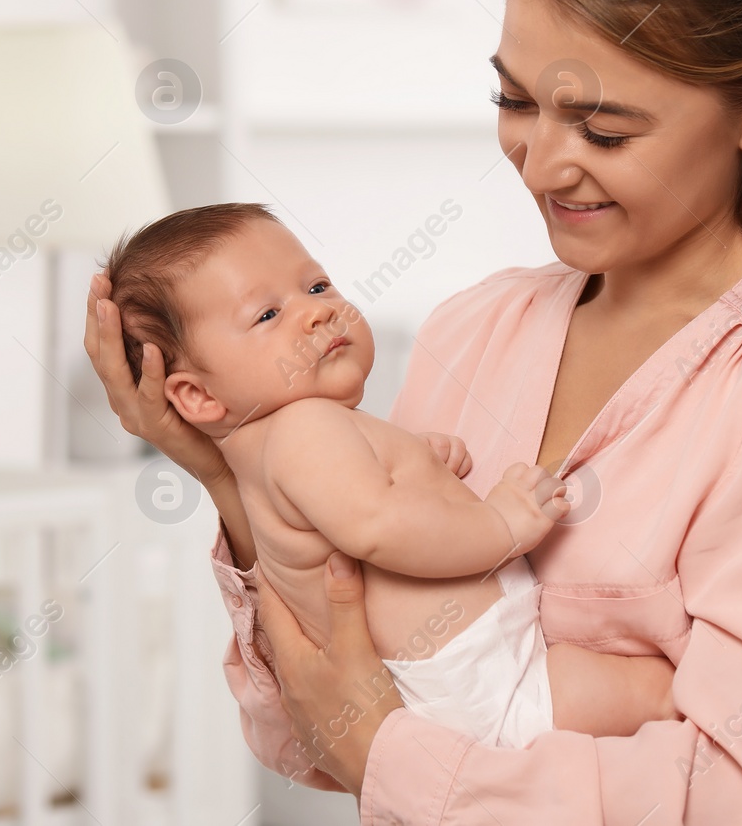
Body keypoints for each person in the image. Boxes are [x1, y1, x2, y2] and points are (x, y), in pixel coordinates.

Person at [85, 0, 742, 825]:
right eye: (514, 101)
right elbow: (314, 735)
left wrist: (388, 747)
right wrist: (223, 466)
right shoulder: (477, 330)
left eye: (603, 129)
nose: (542, 161)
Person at [100, 201, 681, 748]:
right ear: (197, 396)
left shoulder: (277, 445)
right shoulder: (302, 429)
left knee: (641, 699)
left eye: (317, 285)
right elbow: (379, 527)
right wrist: (505, 523)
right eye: (268, 314)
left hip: (456, 681)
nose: (318, 310)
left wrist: (418, 462)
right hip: (480, 675)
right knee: (663, 694)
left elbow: (358, 497)